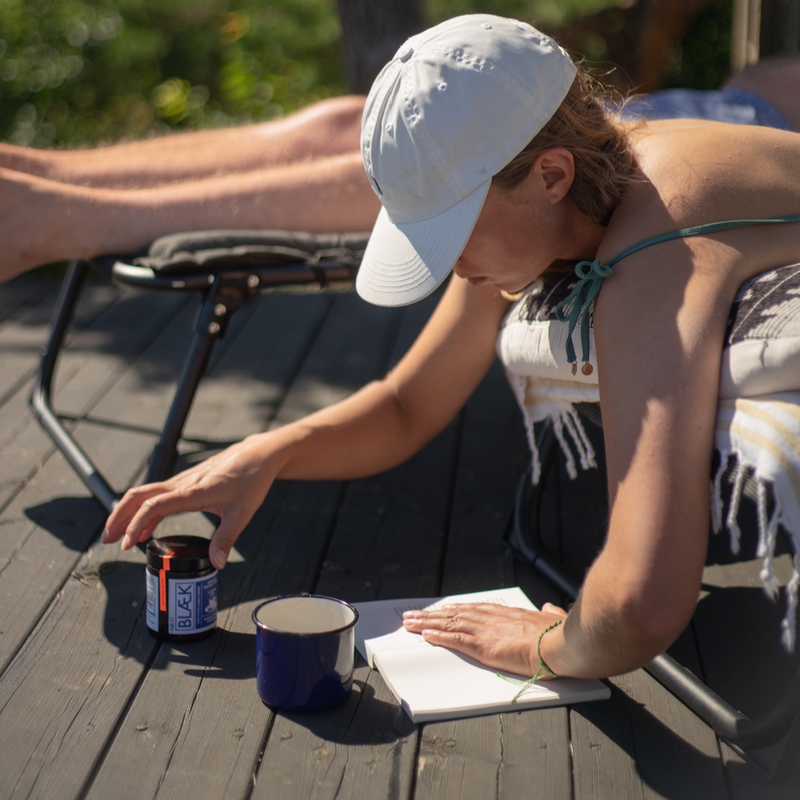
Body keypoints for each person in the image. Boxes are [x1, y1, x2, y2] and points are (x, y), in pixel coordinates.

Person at [72, 15, 800, 681]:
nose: (452, 269)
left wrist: (545, 646)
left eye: (454, 234)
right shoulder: (556, 199)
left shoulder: (655, 257)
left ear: (551, 175)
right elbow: (408, 403)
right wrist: (268, 454)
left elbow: (642, 603)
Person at [0, 44, 799, 283]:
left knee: (456, 165)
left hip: (723, 120)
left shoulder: (666, 208)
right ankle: (39, 178)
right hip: (727, 104)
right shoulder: (535, 218)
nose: (454, 273)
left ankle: (56, 217)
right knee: (357, 125)